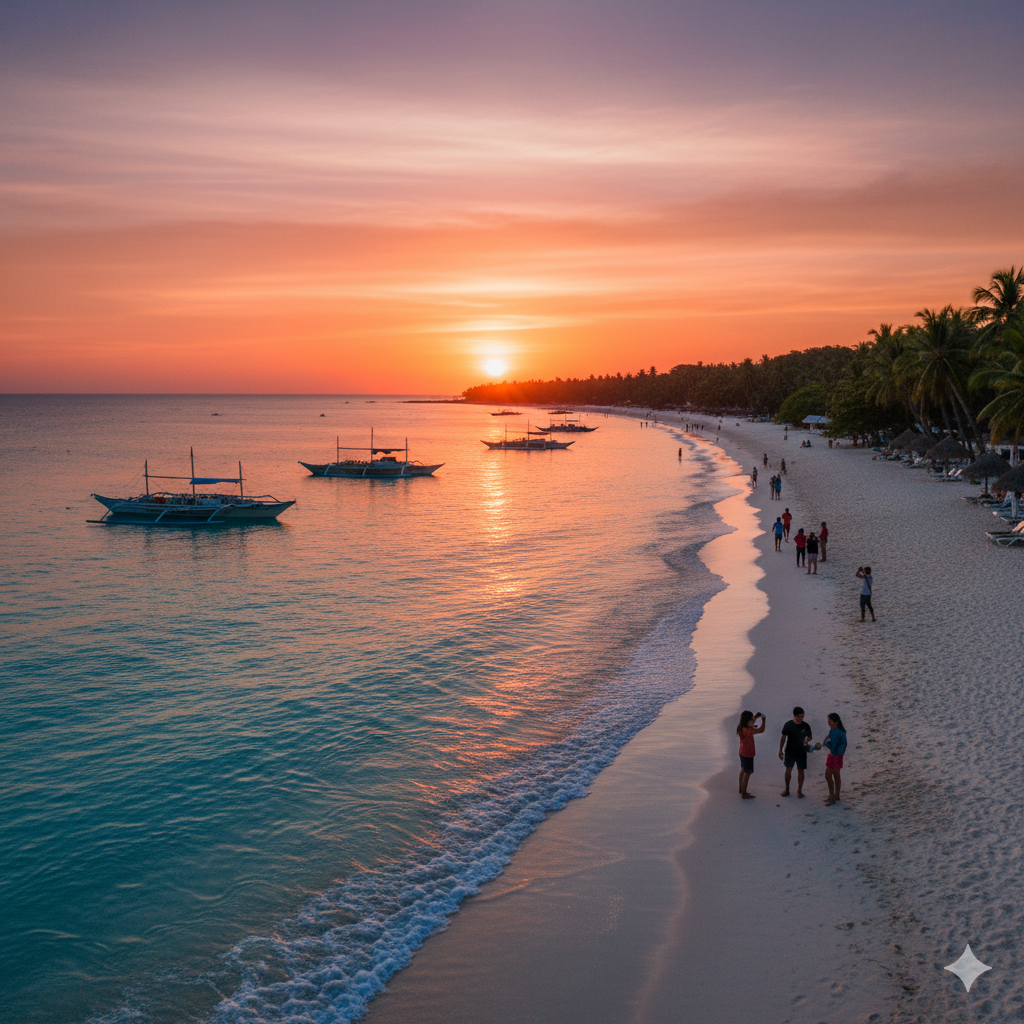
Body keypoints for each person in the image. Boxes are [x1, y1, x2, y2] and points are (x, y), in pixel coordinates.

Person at [779, 707, 813, 797]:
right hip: (790, 751)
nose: (800, 718)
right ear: (794, 715)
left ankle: (799, 791)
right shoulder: (788, 725)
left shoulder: (806, 726)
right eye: (798, 716)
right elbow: (783, 737)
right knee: (788, 769)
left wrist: (807, 740)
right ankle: (786, 789)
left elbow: (810, 737)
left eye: (802, 716)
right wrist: (780, 750)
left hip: (801, 751)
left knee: (801, 771)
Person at [737, 710, 766, 799]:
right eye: (751, 720)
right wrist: (764, 720)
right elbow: (761, 730)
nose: (752, 721)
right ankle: (744, 794)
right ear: (747, 721)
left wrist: (756, 717)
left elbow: (750, 723)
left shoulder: (741, 727)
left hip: (742, 752)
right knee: (747, 772)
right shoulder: (749, 730)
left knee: (743, 770)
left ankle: (741, 789)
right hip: (748, 754)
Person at [820, 713, 847, 805]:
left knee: (828, 775)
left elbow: (834, 744)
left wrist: (824, 745)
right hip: (835, 755)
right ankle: (836, 796)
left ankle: (832, 797)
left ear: (836, 722)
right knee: (836, 775)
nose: (828, 722)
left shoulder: (837, 732)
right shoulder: (835, 730)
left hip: (835, 755)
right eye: (828, 720)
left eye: (830, 720)